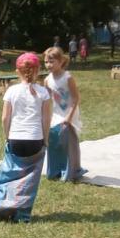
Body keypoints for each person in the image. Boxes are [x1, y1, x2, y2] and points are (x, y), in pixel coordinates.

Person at [0, 52, 50, 223]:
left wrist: (7, 137)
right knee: (30, 180)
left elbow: (5, 118)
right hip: (35, 139)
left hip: (16, 138)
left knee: (9, 176)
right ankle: (22, 215)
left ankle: (3, 207)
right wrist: (45, 140)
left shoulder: (12, 90)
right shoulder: (43, 92)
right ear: (38, 70)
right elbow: (46, 119)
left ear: (17, 71)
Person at [43, 47, 86, 181]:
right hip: (56, 115)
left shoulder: (68, 78)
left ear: (61, 61)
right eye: (46, 62)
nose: (48, 65)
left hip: (69, 114)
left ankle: (71, 171)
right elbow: (47, 100)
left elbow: (76, 98)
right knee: (54, 141)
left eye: (52, 61)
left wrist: (69, 117)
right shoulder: (47, 80)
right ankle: (55, 170)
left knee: (67, 142)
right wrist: (46, 116)